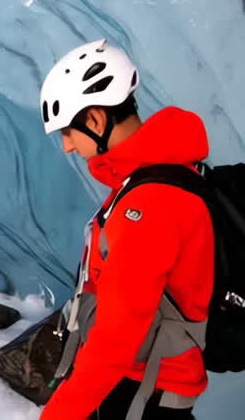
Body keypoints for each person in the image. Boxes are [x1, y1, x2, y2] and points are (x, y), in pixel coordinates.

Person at [38, 39, 214, 420]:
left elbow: (118, 338)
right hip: (140, 386)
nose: (67, 146)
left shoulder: (148, 204)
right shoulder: (147, 183)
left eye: (68, 132)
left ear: (96, 120)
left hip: (144, 394)